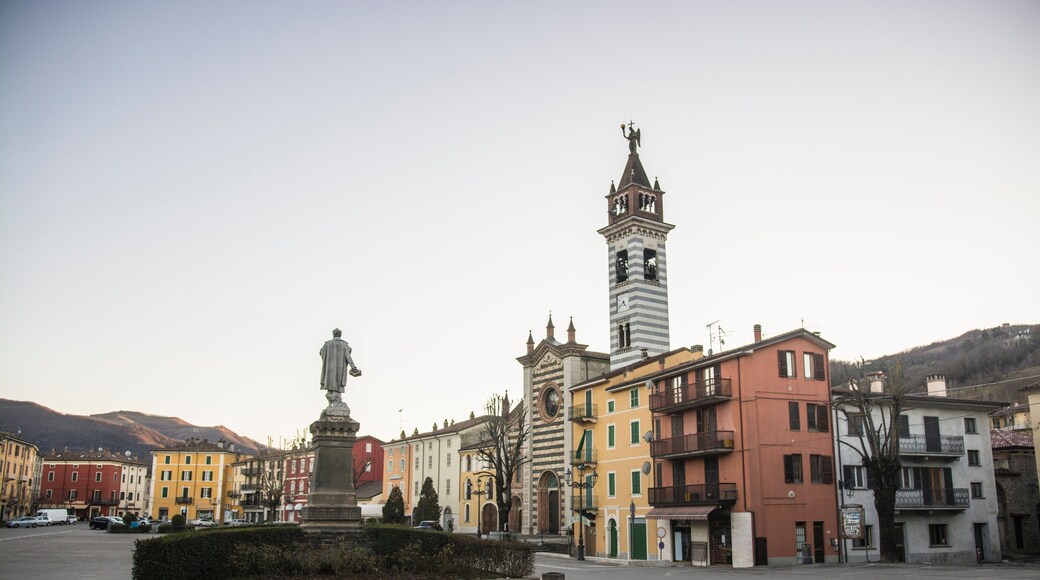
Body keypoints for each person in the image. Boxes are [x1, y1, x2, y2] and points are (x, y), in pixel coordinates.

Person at [320, 328, 360, 410]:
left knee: (330, 389)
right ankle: (334, 406)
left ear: (333, 334)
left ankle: (333, 406)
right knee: (337, 389)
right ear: (340, 334)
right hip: (339, 371)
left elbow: (321, 352)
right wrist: (354, 368)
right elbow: (348, 358)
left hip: (329, 371)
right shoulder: (344, 345)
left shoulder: (327, 344)